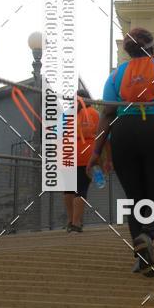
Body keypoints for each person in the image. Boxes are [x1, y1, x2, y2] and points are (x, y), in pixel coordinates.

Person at [88, 28, 154, 276]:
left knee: (135, 197)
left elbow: (106, 114)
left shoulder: (116, 77)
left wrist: (96, 151)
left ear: (128, 51)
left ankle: (142, 257)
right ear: (153, 48)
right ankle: (147, 235)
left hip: (124, 133)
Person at [63, 89, 100, 233]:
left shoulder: (67, 115)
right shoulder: (94, 114)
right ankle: (76, 223)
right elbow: (102, 135)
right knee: (81, 188)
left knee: (68, 189)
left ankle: (70, 220)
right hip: (85, 154)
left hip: (66, 154)